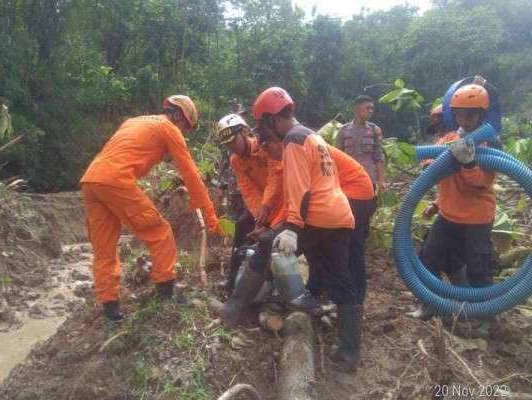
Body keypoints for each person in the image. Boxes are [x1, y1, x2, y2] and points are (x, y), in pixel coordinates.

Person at [80, 95, 222, 322]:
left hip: (91, 180)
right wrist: (210, 215)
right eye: (185, 127)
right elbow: (191, 175)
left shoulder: (133, 122)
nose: (183, 133)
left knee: (104, 249)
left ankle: (112, 314)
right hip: (116, 180)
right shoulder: (168, 128)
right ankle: (166, 296)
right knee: (160, 233)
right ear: (177, 116)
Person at [252, 87, 361, 372]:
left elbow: (300, 190)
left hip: (318, 214)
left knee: (270, 249)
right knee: (340, 280)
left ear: (272, 120)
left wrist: (291, 228)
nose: (267, 135)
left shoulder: (293, 140)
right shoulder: (312, 135)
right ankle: (349, 352)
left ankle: (263, 301)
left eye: (265, 127)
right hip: (341, 214)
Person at [412, 83, 498, 320]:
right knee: (428, 257)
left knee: (478, 269)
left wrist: (468, 164)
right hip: (449, 214)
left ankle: (484, 317)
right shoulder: (450, 138)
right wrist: (437, 202)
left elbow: (481, 183)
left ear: (482, 114)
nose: (464, 119)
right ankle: (431, 304)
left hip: (476, 218)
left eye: (470, 114)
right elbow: (431, 166)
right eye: (459, 113)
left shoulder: (490, 144)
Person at [216, 114, 285, 292]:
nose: (231, 147)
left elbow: (276, 177)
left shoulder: (265, 146)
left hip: (283, 200)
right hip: (262, 205)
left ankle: (276, 286)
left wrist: (266, 208)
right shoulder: (235, 160)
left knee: (274, 238)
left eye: (233, 142)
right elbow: (248, 190)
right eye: (227, 145)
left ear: (245, 131)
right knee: (241, 226)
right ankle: (232, 282)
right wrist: (258, 216)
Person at [337, 95, 387, 192]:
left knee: (369, 206)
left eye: (372, 108)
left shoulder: (374, 130)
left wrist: (381, 180)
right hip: (349, 179)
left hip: (369, 178)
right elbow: (338, 158)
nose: (371, 111)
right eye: (368, 108)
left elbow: (378, 157)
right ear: (357, 108)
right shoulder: (343, 131)